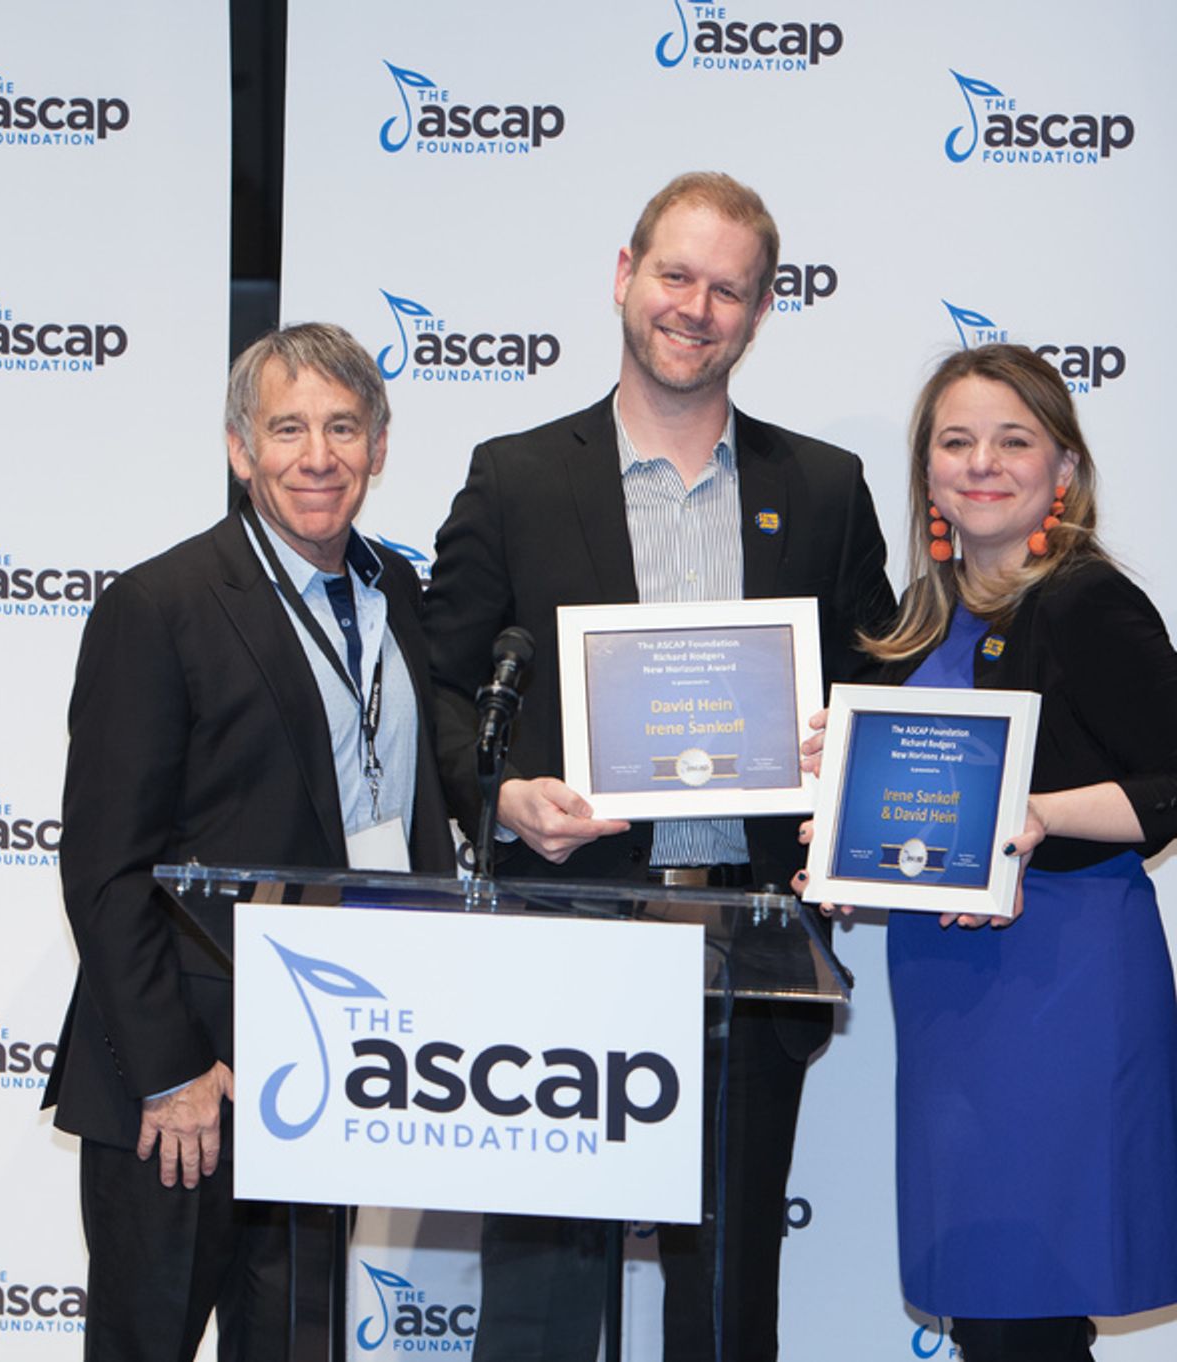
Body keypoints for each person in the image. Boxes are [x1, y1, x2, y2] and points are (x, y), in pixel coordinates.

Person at [423, 172, 894, 1362]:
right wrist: (503, 795)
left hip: (751, 951)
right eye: (676, 275)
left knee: (727, 1305)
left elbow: (880, 691)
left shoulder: (825, 489)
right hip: (566, 942)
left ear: (761, 310)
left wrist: (850, 765)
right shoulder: (515, 477)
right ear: (623, 273)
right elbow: (434, 684)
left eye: (728, 288)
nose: (696, 307)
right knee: (537, 1297)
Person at [43, 322, 455, 1362]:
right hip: (182, 1087)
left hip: (328, 1069)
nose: (318, 456)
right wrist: (170, 1070)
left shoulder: (397, 594)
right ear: (240, 449)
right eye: (287, 429)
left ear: (380, 446)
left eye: (343, 428)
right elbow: (105, 866)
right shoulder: (162, 604)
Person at [809, 343, 1177, 1362]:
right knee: (986, 1308)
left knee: (1033, 1309)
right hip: (947, 991)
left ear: (1065, 470)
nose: (982, 463)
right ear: (926, 474)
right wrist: (837, 833)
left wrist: (1042, 816)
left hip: (1060, 987)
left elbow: (1167, 786)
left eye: (1014, 441)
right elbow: (904, 816)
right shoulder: (902, 636)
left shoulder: (1089, 602)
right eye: (956, 441)